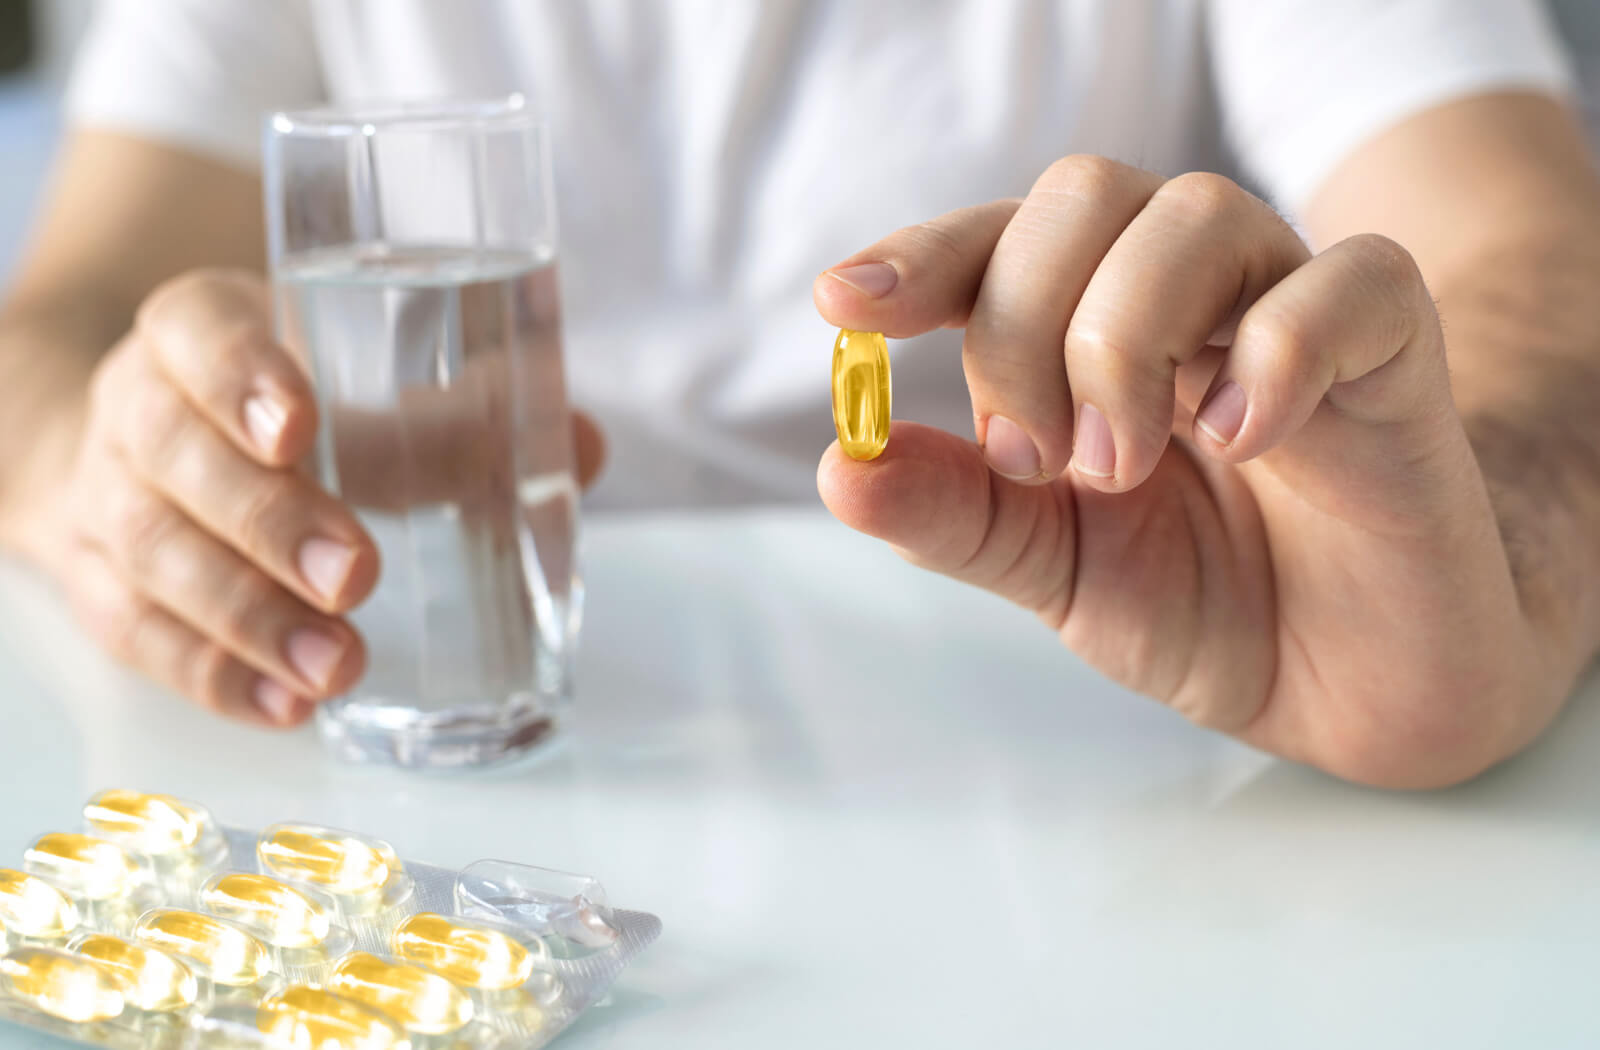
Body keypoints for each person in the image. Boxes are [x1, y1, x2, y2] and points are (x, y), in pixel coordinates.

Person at [1, 0, 1597, 790]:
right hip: (477, 766)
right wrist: (109, 466)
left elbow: (1537, 258)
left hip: (1066, 750)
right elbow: (54, 322)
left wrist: (1489, 552)